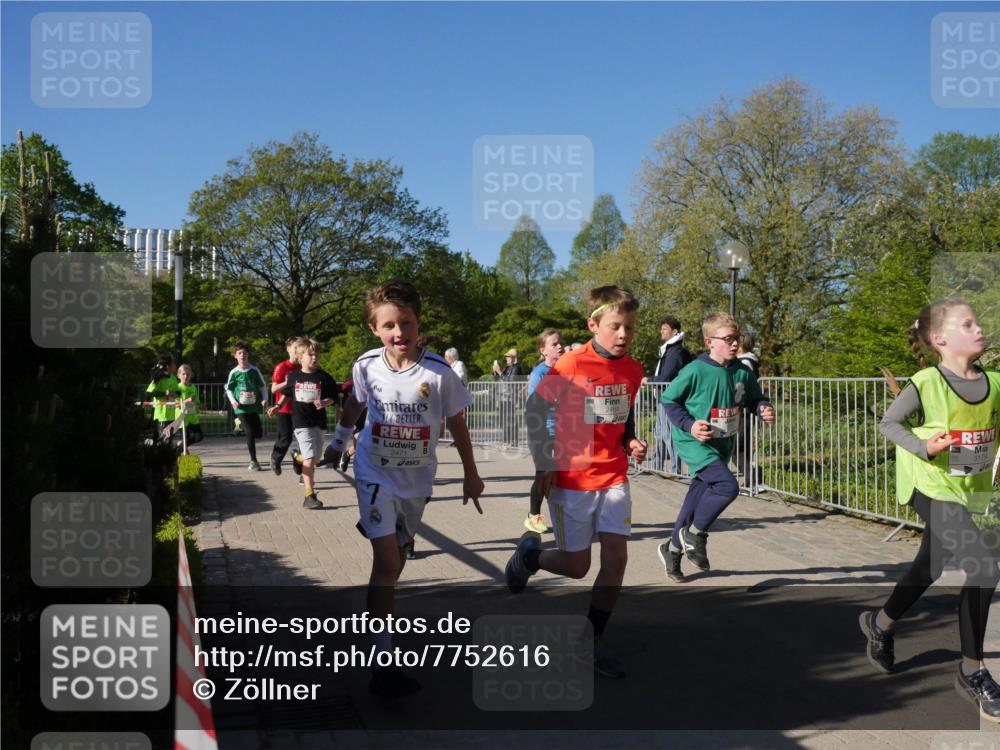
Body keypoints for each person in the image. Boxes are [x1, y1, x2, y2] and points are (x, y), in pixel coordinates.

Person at [326, 279, 484, 700]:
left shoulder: (440, 372)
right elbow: (357, 404)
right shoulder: (365, 366)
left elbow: (456, 423)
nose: (400, 333)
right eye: (390, 325)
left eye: (407, 323)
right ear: (375, 330)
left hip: (417, 479)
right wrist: (339, 442)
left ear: (419, 324)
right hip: (374, 473)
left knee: (394, 564)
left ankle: (380, 628)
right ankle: (383, 661)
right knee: (386, 560)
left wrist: (471, 473)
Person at [861, 298, 1000, 721]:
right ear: (940, 339)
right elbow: (889, 423)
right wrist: (924, 446)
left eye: (978, 322)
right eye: (967, 324)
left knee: (930, 568)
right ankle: (972, 670)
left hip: (967, 489)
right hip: (929, 483)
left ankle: (881, 624)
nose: (979, 329)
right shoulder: (926, 381)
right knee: (983, 566)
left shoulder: (995, 380)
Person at [510, 286, 647, 678]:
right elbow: (536, 407)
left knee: (617, 559)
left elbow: (623, 419)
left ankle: (589, 644)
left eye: (630, 328)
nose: (624, 335)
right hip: (572, 477)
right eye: (616, 327)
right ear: (594, 324)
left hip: (614, 474)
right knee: (576, 567)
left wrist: (631, 441)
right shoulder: (570, 364)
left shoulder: (633, 370)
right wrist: (545, 460)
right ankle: (530, 556)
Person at [657, 312, 774, 583]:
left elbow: (754, 399)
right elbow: (670, 400)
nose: (735, 343)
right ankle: (695, 534)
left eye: (738, 338)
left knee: (694, 500)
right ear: (710, 341)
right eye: (729, 339)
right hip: (695, 442)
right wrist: (689, 425)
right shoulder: (695, 370)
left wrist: (763, 408)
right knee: (727, 486)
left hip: (723, 443)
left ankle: (672, 549)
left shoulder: (742, 371)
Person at [268, 338, 337, 509]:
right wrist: (277, 406)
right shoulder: (293, 377)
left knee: (315, 458)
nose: (314, 357)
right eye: (310, 354)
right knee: (311, 458)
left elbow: (333, 397)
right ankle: (309, 495)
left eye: (316, 354)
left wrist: (325, 403)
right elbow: (287, 394)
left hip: (319, 421)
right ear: (300, 357)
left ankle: (297, 457)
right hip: (300, 421)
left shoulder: (324, 377)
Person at [524, 328, 564, 533]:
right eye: (554, 344)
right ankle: (533, 516)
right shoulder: (540, 373)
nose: (560, 347)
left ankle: (561, 517)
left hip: (563, 432)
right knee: (544, 473)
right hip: (541, 430)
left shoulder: (567, 369)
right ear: (543, 350)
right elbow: (534, 404)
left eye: (560, 343)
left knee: (560, 477)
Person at [647, 316, 693, 474]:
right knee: (661, 433)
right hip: (663, 397)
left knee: (668, 434)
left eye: (665, 328)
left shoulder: (676, 351)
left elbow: (667, 376)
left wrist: (649, 380)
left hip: (669, 398)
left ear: (675, 332)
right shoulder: (670, 350)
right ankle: (657, 465)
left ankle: (675, 469)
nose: (661, 331)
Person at [225, 341, 268, 471]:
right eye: (239, 353)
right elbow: (229, 389)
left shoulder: (255, 370)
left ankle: (238, 424)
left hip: (253, 406)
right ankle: (254, 461)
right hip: (240, 407)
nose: (242, 355)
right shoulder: (234, 372)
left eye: (244, 352)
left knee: (259, 434)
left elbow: (263, 386)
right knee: (249, 433)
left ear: (248, 355)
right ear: (235, 356)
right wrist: (233, 401)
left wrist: (265, 399)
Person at [269, 336, 302, 477]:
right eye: (295, 348)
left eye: (299, 349)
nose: (297, 351)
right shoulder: (282, 367)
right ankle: (276, 459)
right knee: (285, 438)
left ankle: (299, 464)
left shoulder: (303, 366)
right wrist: (287, 383)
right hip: (284, 409)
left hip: (300, 409)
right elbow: (273, 389)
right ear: (288, 349)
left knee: (304, 441)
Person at [735, 332, 760, 481]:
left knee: (736, 449)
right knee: (742, 448)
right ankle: (751, 480)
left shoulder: (744, 362)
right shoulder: (748, 361)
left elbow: (742, 386)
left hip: (742, 409)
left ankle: (754, 479)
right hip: (745, 409)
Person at [493, 348, 524, 446]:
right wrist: (495, 372)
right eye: (506, 356)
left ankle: (513, 440)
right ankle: (506, 439)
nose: (506, 358)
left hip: (511, 396)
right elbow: (499, 379)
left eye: (508, 356)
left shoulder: (517, 367)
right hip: (503, 396)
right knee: (504, 419)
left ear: (513, 358)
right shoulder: (507, 367)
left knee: (510, 418)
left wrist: (500, 372)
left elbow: (511, 381)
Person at [146, 355, 179, 441]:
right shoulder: (158, 378)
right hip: (161, 416)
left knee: (170, 441)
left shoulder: (173, 378)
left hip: (172, 414)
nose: (175, 365)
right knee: (162, 440)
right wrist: (164, 393)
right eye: (173, 363)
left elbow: (178, 392)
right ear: (168, 366)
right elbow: (148, 393)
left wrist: (174, 394)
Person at [175, 364, 203, 445]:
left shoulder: (193, 387)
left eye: (188, 374)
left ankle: (181, 445)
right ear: (178, 375)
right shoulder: (177, 388)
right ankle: (181, 448)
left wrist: (199, 406)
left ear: (190, 375)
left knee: (199, 436)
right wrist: (187, 400)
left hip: (192, 417)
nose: (186, 376)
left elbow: (196, 401)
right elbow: (176, 404)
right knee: (186, 438)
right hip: (182, 418)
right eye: (183, 374)